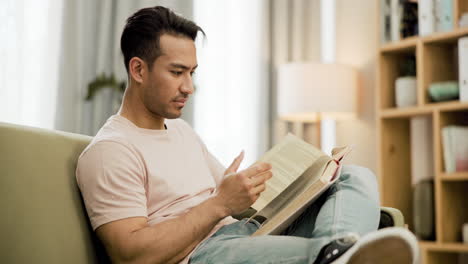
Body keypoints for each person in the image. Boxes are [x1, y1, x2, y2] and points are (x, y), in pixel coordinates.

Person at [76, 6, 419, 264]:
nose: (188, 87)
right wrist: (219, 203)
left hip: (242, 230)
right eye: (177, 72)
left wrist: (294, 182)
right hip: (204, 254)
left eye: (192, 73)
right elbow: (130, 254)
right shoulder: (111, 151)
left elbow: (234, 203)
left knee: (353, 175)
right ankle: (337, 253)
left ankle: (335, 251)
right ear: (138, 69)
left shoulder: (180, 132)